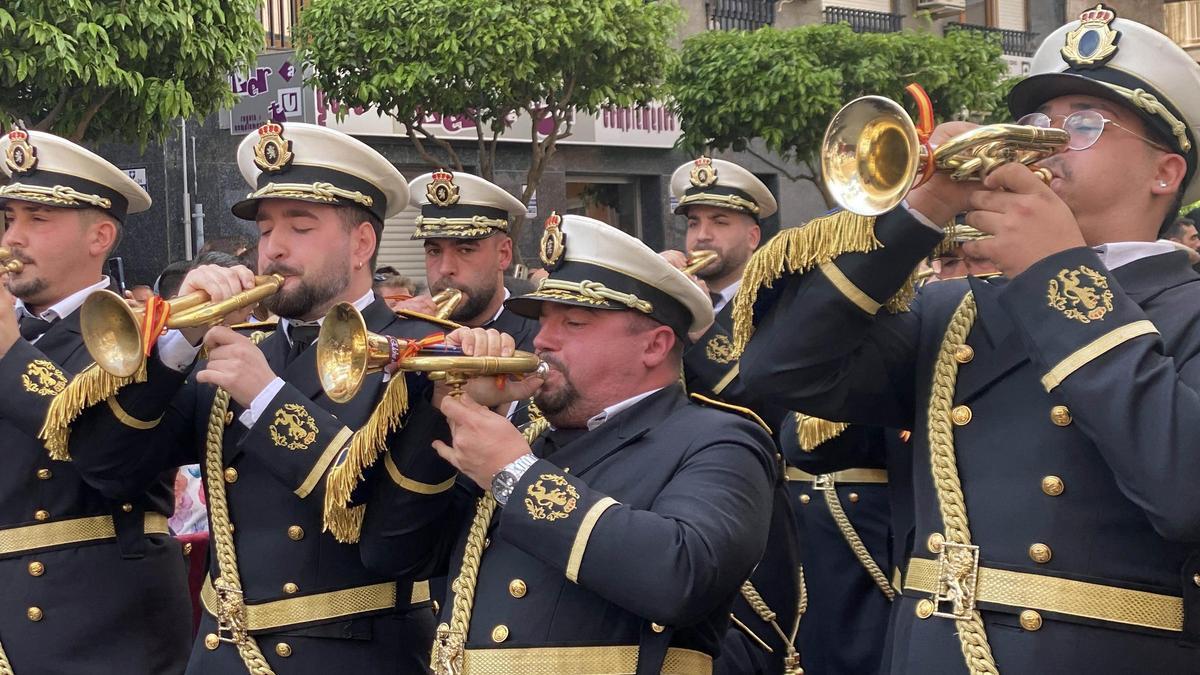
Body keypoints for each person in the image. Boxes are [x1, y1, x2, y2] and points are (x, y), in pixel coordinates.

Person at [738, 8, 1200, 672]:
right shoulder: (952, 313)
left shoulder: (1187, 309)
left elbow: (1185, 493)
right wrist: (923, 209)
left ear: (1166, 172)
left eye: (1084, 123)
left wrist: (1055, 272)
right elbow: (782, 369)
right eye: (1039, 125)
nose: (1049, 142)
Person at [69, 122, 453, 674]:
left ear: (362, 244)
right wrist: (183, 336)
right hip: (223, 657)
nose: (273, 249)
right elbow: (109, 466)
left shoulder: (420, 351)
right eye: (267, 229)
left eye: (299, 228)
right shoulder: (241, 348)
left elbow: (391, 535)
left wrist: (268, 398)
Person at [364, 213, 778, 674]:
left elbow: (680, 577)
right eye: (543, 320)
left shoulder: (719, 440)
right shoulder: (525, 441)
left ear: (656, 346)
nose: (542, 340)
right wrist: (451, 409)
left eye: (574, 323)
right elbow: (393, 553)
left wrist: (515, 475)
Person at [0, 128, 192, 673]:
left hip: (98, 627)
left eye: (39, 221)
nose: (14, 237)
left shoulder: (144, 333)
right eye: (10, 218)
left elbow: (107, 457)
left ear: (99, 236)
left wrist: (10, 353)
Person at [661, 157, 803, 674]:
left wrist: (699, 328)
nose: (702, 237)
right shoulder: (674, 300)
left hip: (757, 507)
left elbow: (770, 408)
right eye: (694, 223)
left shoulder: (782, 303)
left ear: (753, 236)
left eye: (720, 224)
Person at [396, 171, 538, 352]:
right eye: (434, 251)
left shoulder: (538, 336)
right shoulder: (410, 329)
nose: (445, 269)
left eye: (465, 250)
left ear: (503, 254)